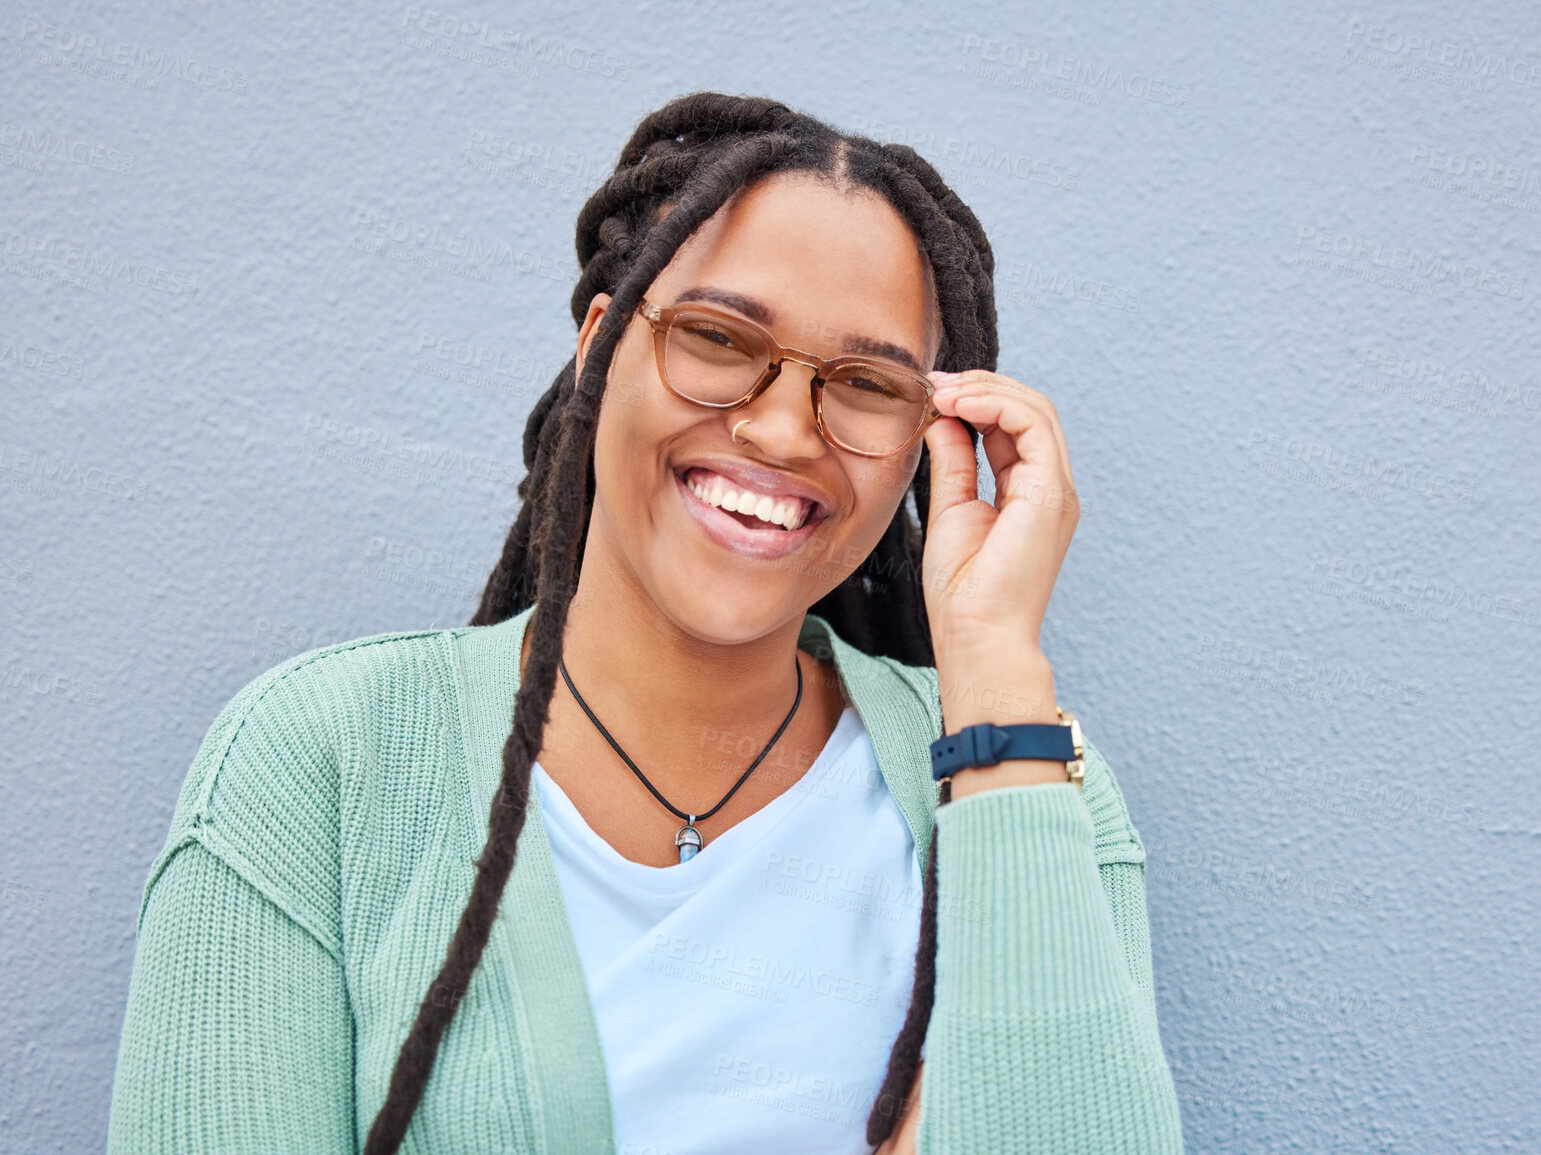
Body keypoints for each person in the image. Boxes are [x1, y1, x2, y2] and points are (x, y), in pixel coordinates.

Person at [106, 92, 1185, 1154]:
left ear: (927, 443)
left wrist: (992, 661)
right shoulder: (319, 766)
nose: (779, 429)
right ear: (601, 345)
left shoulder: (1036, 789)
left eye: (864, 384)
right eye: (718, 338)